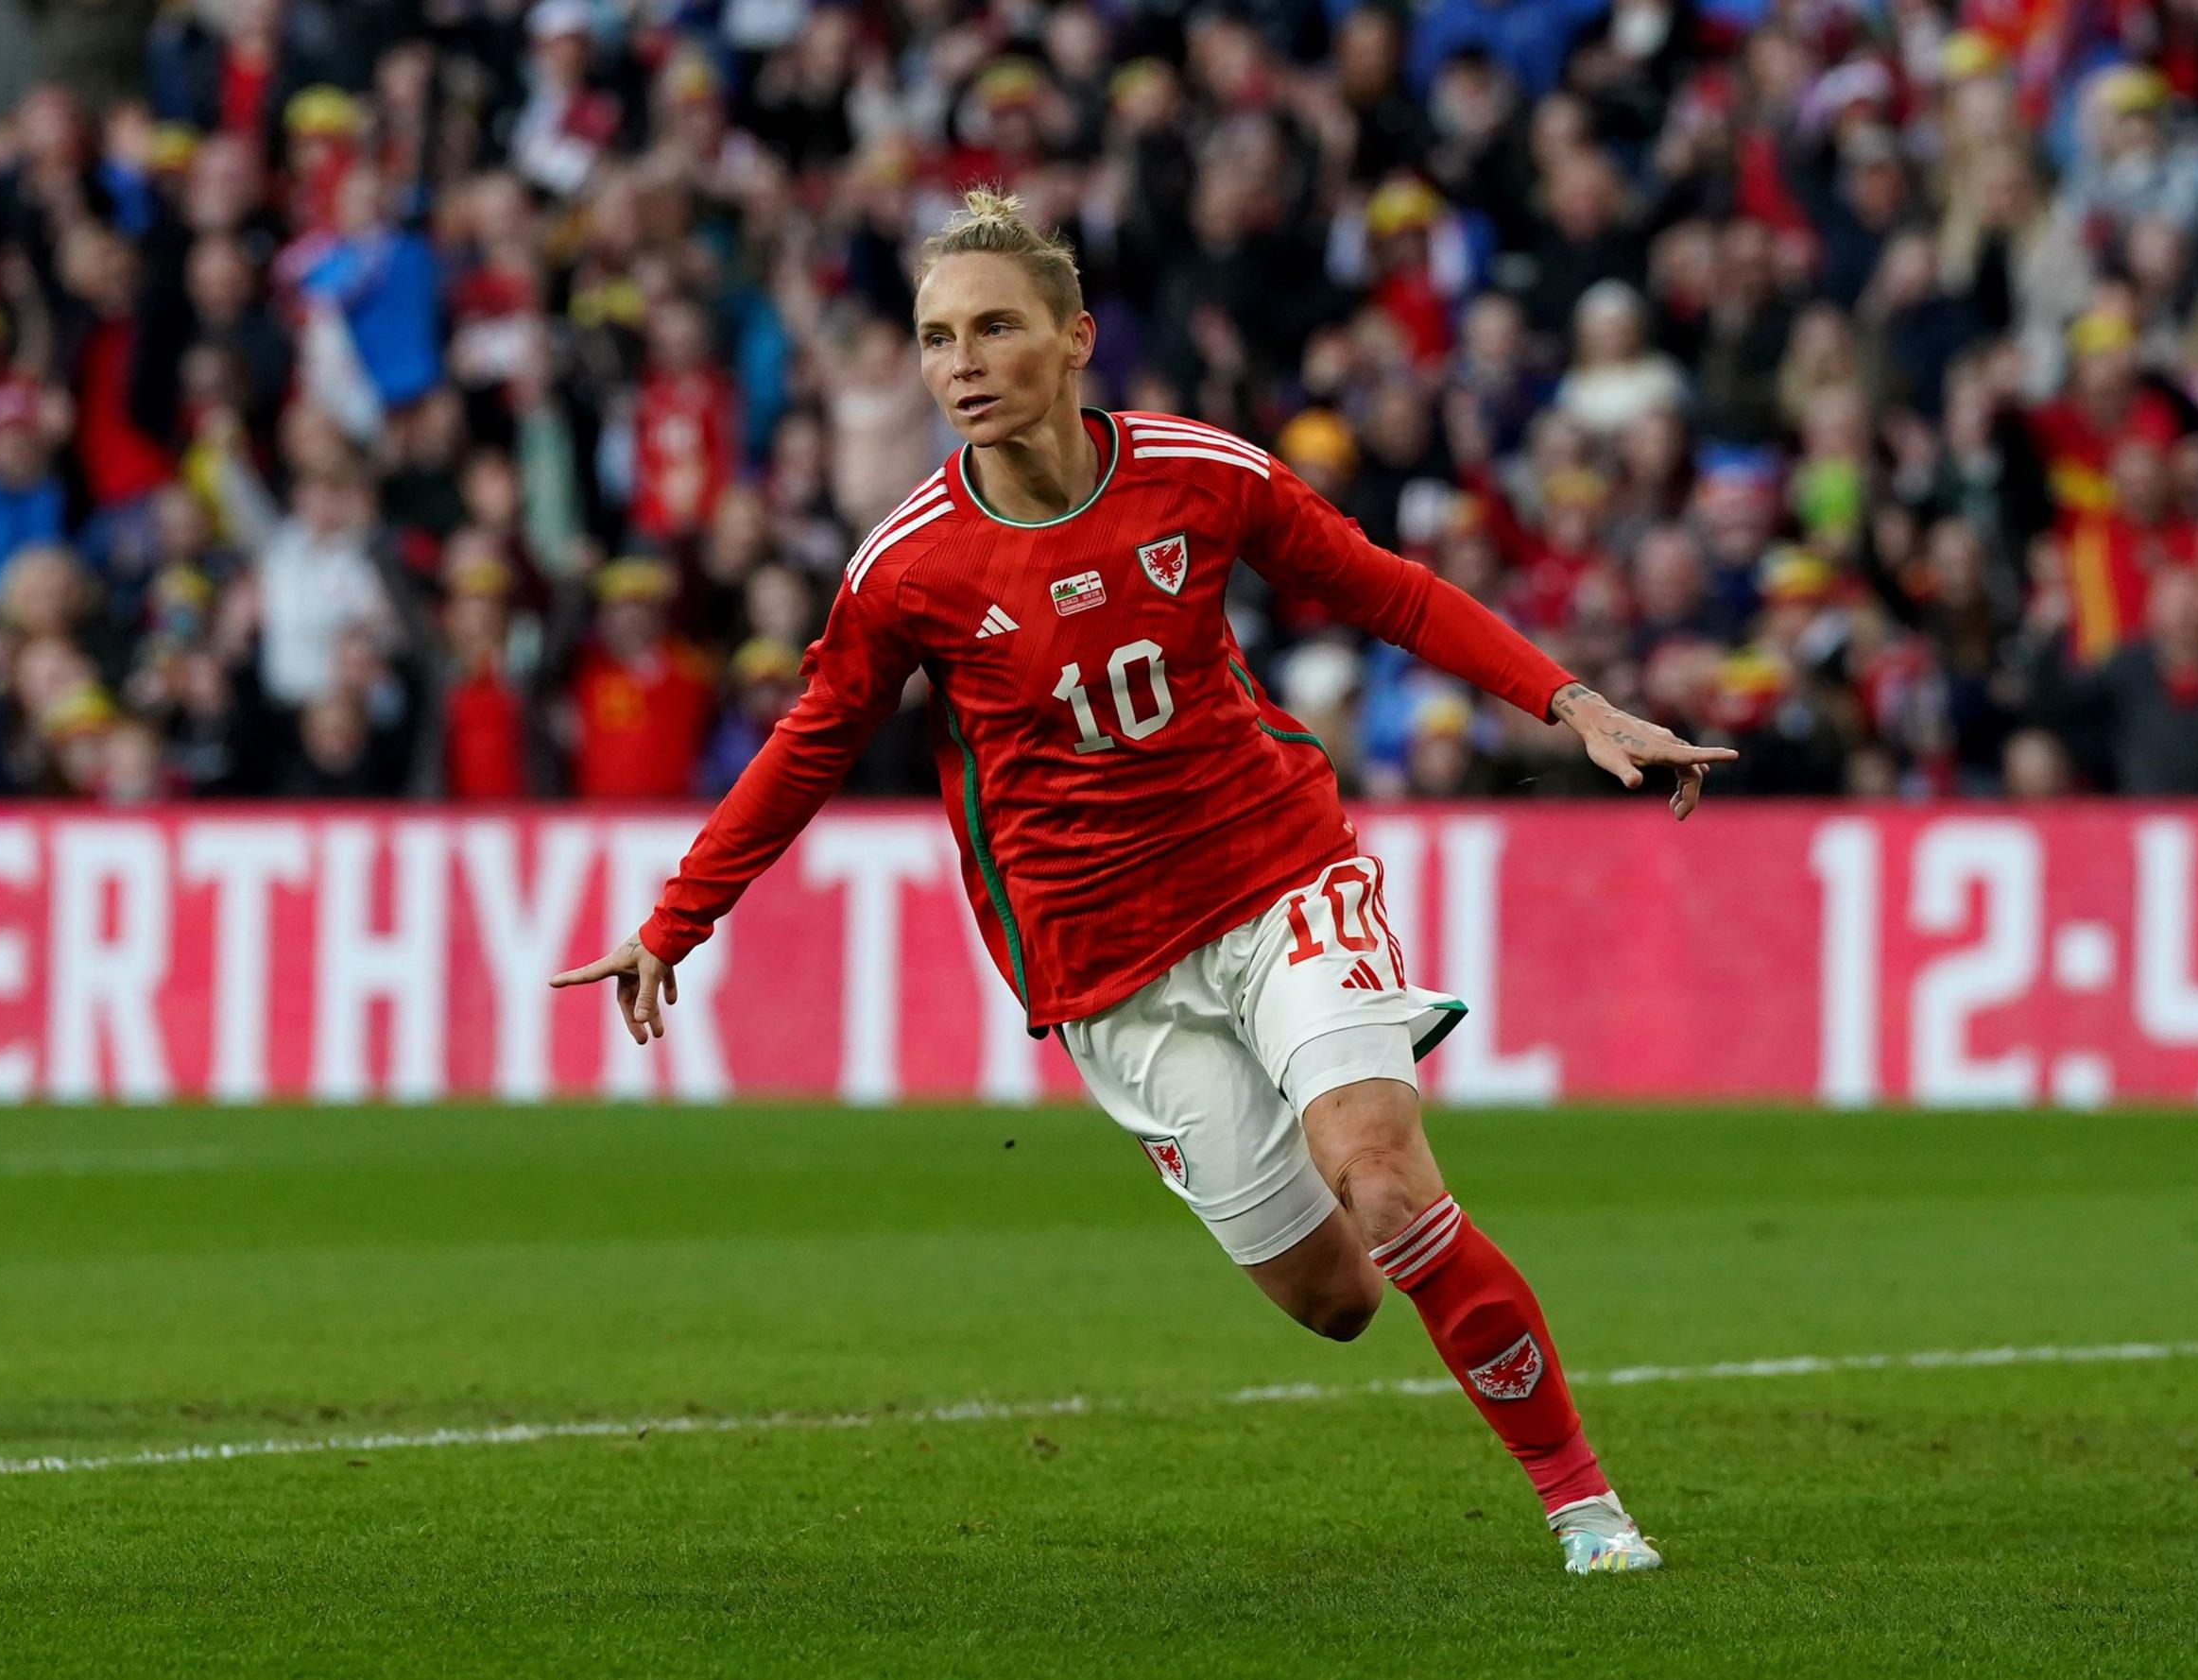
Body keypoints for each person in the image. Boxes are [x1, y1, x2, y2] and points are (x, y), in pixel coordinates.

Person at [551, 191, 1733, 1575]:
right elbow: (807, 749)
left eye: (995, 328)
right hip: (1109, 968)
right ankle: (1313, 1111)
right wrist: (671, 925)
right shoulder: (906, 568)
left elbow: (1388, 592)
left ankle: (1587, 1511)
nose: (963, 364)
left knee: (1389, 1183)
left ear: (1075, 338)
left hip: (1276, 873)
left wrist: (1574, 701)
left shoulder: (1199, 472)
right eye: (938, 339)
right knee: (1339, 1296)